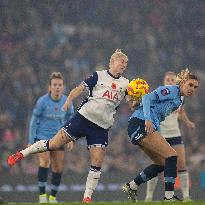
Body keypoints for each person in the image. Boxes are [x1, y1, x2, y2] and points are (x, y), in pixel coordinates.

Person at [7, 49, 129, 203]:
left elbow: (131, 103)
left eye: (126, 63)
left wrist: (137, 98)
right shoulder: (99, 75)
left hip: (102, 127)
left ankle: (87, 197)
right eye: (122, 61)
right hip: (83, 118)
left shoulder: (126, 84)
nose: (124, 65)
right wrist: (68, 101)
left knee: (97, 161)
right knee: (53, 144)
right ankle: (21, 154)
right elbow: (79, 88)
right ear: (112, 62)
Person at [122, 68, 198, 202]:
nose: (192, 88)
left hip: (141, 126)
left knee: (161, 163)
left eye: (195, 87)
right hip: (141, 123)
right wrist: (148, 118)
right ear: (182, 82)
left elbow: (153, 105)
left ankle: (132, 186)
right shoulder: (170, 90)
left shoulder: (179, 101)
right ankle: (168, 197)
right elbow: (147, 97)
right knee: (172, 156)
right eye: (190, 84)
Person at [145, 71, 195, 202]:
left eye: (172, 80)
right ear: (164, 81)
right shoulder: (159, 95)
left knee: (182, 164)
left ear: (176, 82)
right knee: (157, 165)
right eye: (167, 80)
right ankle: (149, 197)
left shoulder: (181, 96)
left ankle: (186, 197)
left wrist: (187, 121)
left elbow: (181, 112)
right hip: (160, 135)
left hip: (175, 134)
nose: (170, 82)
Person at [28, 72, 74, 203]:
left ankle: (53, 197)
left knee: (58, 168)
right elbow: (33, 121)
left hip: (58, 138)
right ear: (50, 87)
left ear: (63, 87)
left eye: (59, 85)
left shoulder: (67, 101)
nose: (57, 87)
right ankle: (42, 196)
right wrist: (31, 140)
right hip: (42, 137)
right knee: (45, 162)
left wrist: (70, 138)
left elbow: (71, 119)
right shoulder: (42, 102)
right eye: (55, 85)